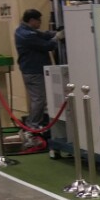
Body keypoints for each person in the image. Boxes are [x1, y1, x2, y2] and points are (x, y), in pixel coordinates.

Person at [15, 9, 62, 147]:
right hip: (34, 72)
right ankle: (32, 127)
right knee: (39, 100)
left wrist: (55, 33)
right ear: (32, 20)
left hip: (32, 70)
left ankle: (36, 124)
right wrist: (57, 38)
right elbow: (47, 45)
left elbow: (43, 34)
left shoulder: (23, 30)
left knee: (39, 99)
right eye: (39, 20)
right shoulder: (26, 35)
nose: (40, 23)